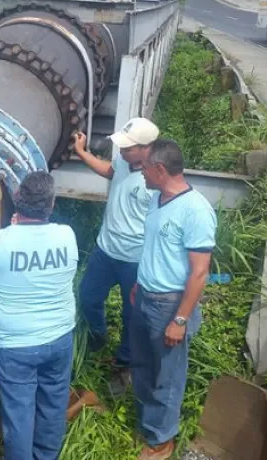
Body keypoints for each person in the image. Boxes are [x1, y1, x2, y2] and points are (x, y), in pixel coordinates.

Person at [0, 171, 79, 460]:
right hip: (59, 338)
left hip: (16, 346)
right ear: (52, 204)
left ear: (18, 200)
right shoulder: (66, 235)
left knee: (19, 414)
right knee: (53, 404)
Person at [130, 139, 217, 460]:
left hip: (169, 305)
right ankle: (147, 421)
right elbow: (156, 249)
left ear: (160, 169)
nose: (141, 173)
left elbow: (199, 273)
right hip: (145, 297)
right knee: (143, 364)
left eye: (144, 168)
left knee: (167, 376)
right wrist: (140, 283)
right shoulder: (157, 199)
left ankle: (161, 440)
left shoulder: (195, 211)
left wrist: (180, 319)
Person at [72, 117, 159, 394]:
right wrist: (83, 153)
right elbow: (111, 171)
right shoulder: (124, 160)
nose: (122, 152)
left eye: (128, 148)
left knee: (132, 314)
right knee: (88, 297)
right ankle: (97, 337)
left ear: (147, 148)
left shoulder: (157, 179)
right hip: (105, 250)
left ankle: (124, 364)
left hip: (135, 260)